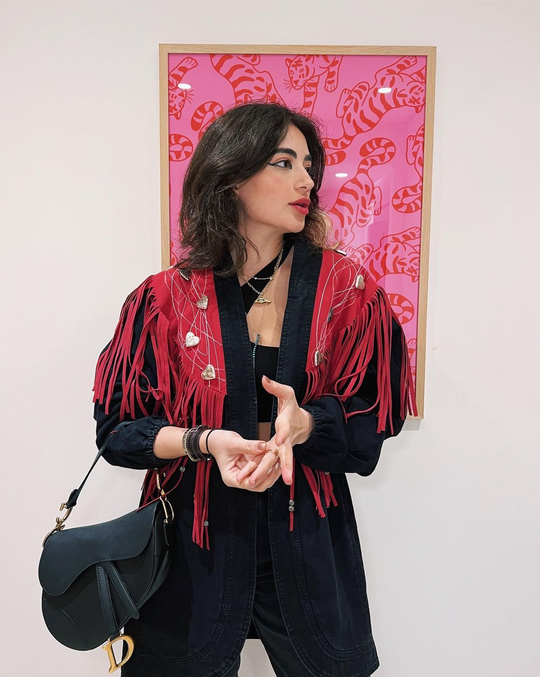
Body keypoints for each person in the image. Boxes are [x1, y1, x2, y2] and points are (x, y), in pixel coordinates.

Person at [92, 101, 417, 677]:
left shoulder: (347, 291)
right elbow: (118, 431)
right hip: (192, 538)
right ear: (232, 175)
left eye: (310, 166)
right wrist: (204, 441)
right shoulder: (163, 299)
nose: (307, 181)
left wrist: (307, 423)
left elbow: (372, 418)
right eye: (284, 163)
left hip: (307, 532)